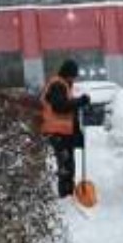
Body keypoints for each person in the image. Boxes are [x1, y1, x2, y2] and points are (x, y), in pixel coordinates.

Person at [40, 59, 91, 198]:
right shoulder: (57, 85)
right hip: (56, 132)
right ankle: (66, 195)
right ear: (67, 73)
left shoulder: (63, 84)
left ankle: (69, 193)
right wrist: (79, 101)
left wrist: (77, 133)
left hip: (63, 132)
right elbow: (60, 106)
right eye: (73, 75)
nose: (74, 78)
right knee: (65, 166)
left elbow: (68, 110)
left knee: (68, 164)